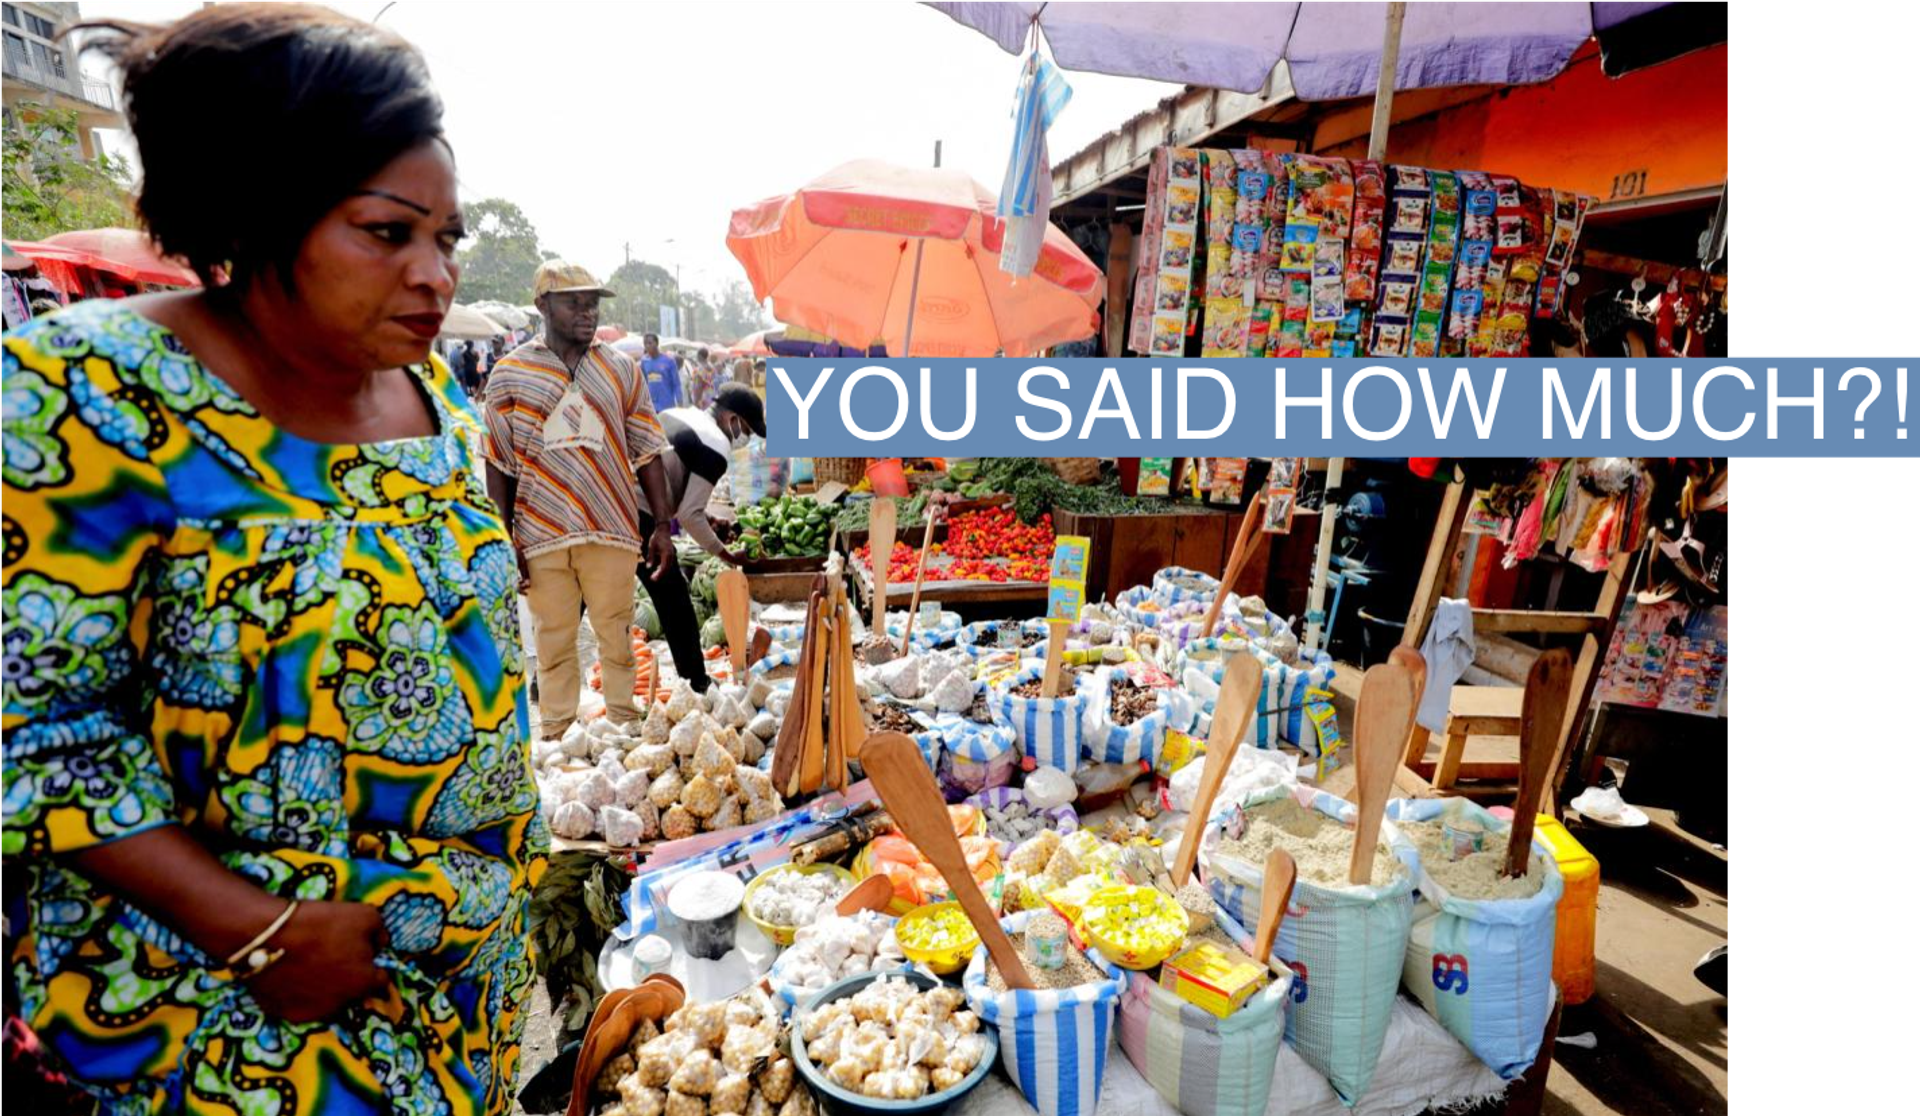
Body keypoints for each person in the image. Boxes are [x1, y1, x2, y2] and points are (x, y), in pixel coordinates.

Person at [0, 6, 540, 1114]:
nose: (433, 274)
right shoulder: (87, 396)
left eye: (447, 240)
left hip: (454, 996)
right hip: (232, 1018)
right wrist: (261, 935)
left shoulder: (437, 403)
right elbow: (36, 731)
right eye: (388, 234)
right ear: (262, 210)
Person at [483, 260, 680, 724]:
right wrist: (501, 533)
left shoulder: (621, 370)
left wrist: (664, 526)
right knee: (553, 642)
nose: (586, 313)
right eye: (574, 303)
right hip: (540, 532)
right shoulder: (509, 374)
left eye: (592, 304)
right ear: (542, 306)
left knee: (617, 636)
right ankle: (557, 736)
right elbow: (498, 462)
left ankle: (622, 725)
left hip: (610, 526)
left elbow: (648, 451)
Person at [646, 383, 767, 686]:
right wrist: (726, 555)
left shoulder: (681, 413)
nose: (744, 439)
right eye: (746, 431)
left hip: (619, 505)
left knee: (592, 591)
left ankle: (543, 681)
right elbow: (689, 515)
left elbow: (674, 480)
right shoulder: (716, 443)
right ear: (731, 419)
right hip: (641, 516)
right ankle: (697, 680)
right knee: (675, 599)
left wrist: (707, 516)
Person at [638, 330, 682, 413]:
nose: (647, 346)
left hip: (667, 406)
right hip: (651, 406)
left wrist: (680, 402)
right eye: (645, 344)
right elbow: (643, 383)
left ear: (656, 344)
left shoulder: (669, 360)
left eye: (650, 343)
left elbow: (676, 383)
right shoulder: (644, 361)